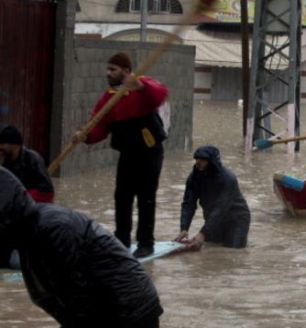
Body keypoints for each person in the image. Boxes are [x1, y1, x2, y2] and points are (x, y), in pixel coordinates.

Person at [0, 167, 163, 328]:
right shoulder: (22, 235)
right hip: (94, 312)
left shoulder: (52, 229)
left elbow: (79, 298)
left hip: (127, 313)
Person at [72, 52, 168, 258]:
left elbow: (160, 95)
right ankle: (121, 240)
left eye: (113, 69)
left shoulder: (141, 84)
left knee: (146, 198)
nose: (108, 73)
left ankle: (145, 243)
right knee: (122, 196)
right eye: (108, 69)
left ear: (125, 71)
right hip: (127, 153)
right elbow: (98, 128)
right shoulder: (107, 98)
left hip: (149, 152)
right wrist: (84, 136)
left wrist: (141, 86)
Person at [175, 146, 250, 249]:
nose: (198, 162)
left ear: (212, 161)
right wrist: (184, 227)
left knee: (232, 253)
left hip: (236, 219)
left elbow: (221, 209)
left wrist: (202, 233)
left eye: (202, 160)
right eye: (196, 159)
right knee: (212, 250)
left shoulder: (228, 179)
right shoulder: (193, 178)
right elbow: (188, 203)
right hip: (212, 218)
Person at [0, 124, 54, 203]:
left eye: (2, 144)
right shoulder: (5, 161)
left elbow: (47, 192)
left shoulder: (33, 159)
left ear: (15, 145)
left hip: (33, 201)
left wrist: (21, 196)